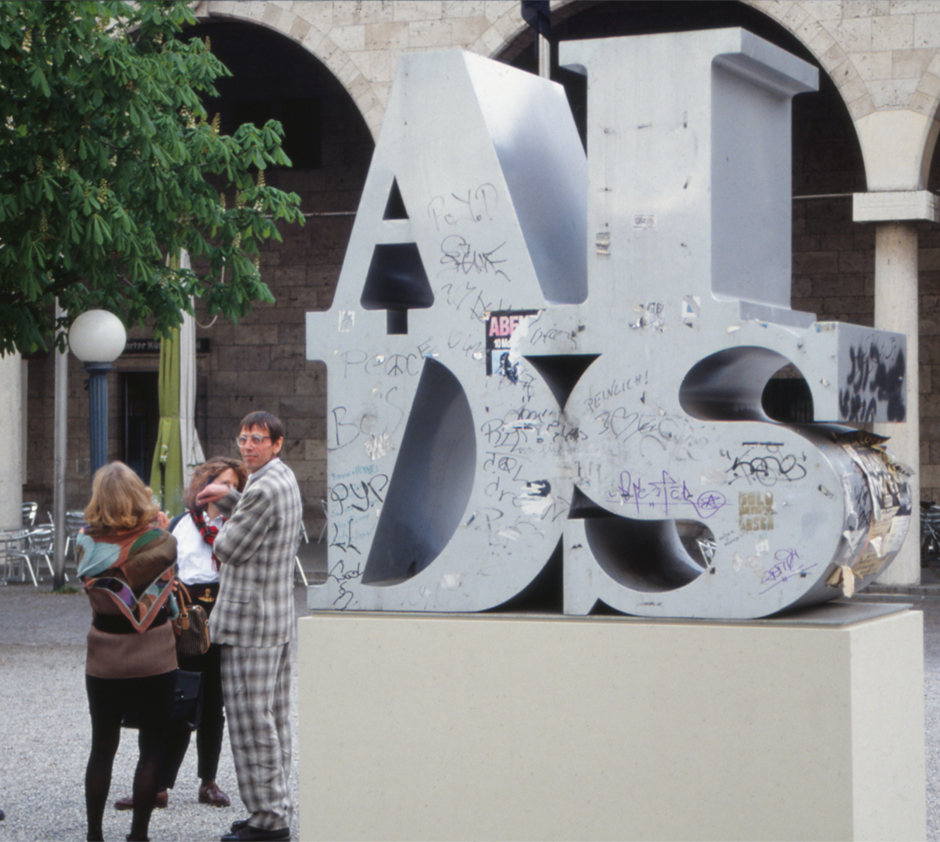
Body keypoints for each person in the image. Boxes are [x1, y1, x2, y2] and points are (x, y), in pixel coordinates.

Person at [113, 456, 248, 813]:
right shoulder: (181, 524)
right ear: (205, 485)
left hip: (225, 614)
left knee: (214, 705)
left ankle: (208, 781)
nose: (228, 490)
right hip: (186, 619)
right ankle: (158, 785)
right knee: (179, 698)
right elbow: (159, 568)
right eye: (222, 482)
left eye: (235, 485)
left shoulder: (241, 524)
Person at [196, 412, 303, 842]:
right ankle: (274, 807)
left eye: (258, 440)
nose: (247, 447)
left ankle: (268, 820)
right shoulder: (283, 478)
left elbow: (229, 546)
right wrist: (228, 496)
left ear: (278, 443)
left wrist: (223, 513)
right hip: (275, 618)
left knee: (250, 722)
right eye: (243, 439)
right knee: (274, 720)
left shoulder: (263, 487)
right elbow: (257, 517)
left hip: (249, 623)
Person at [77, 462, 178, 842]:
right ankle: (138, 835)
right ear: (139, 494)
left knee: (102, 745)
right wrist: (160, 530)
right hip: (155, 653)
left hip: (104, 655)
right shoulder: (161, 541)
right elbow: (167, 579)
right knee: (152, 745)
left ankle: (94, 834)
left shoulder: (85, 541)